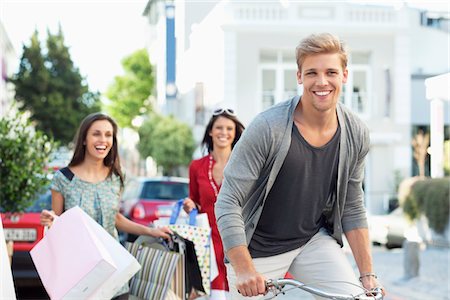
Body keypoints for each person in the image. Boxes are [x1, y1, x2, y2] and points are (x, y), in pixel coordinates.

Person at [215, 33, 385, 299]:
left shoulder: (355, 132)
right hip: (256, 250)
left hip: (311, 241)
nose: (321, 81)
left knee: (357, 298)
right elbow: (227, 202)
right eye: (312, 73)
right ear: (299, 77)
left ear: (344, 75)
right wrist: (244, 267)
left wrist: (367, 276)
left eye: (331, 72)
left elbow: (352, 206)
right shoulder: (268, 128)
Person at [40, 112, 172, 299]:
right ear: (84, 139)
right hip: (78, 272)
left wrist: (151, 232)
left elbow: (115, 218)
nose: (103, 140)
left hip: (114, 268)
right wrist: (49, 219)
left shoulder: (117, 176)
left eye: (108, 135)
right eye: (96, 134)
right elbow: (56, 223)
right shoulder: (64, 178)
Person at [183, 108, 245, 299]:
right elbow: (194, 199)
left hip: (240, 239)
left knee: (240, 291)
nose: (223, 133)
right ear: (211, 131)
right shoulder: (197, 166)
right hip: (208, 242)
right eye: (219, 128)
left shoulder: (245, 163)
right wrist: (190, 205)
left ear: (235, 133)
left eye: (229, 128)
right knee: (215, 295)